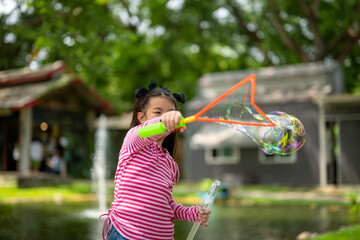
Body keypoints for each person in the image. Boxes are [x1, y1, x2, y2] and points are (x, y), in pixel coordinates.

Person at [101, 80, 211, 240]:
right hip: (127, 234)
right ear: (141, 117)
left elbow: (167, 206)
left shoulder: (170, 163)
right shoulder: (133, 141)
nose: (165, 117)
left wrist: (192, 213)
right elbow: (148, 130)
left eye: (170, 113)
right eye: (158, 112)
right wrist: (165, 120)